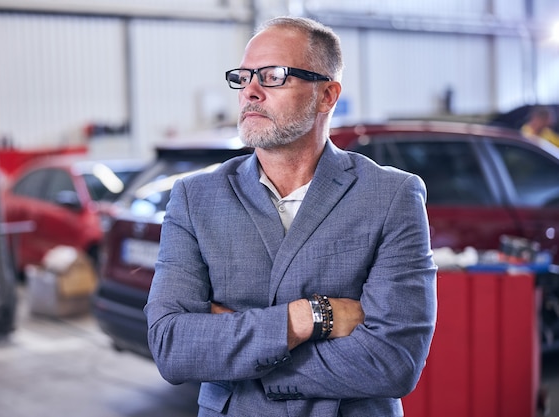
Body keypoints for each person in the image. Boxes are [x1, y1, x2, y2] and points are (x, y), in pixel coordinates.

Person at [145, 16, 437, 417]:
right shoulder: (196, 198)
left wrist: (237, 356)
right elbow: (172, 346)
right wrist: (309, 317)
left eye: (273, 76)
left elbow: (392, 361)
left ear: (327, 96)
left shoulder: (391, 196)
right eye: (243, 77)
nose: (250, 91)